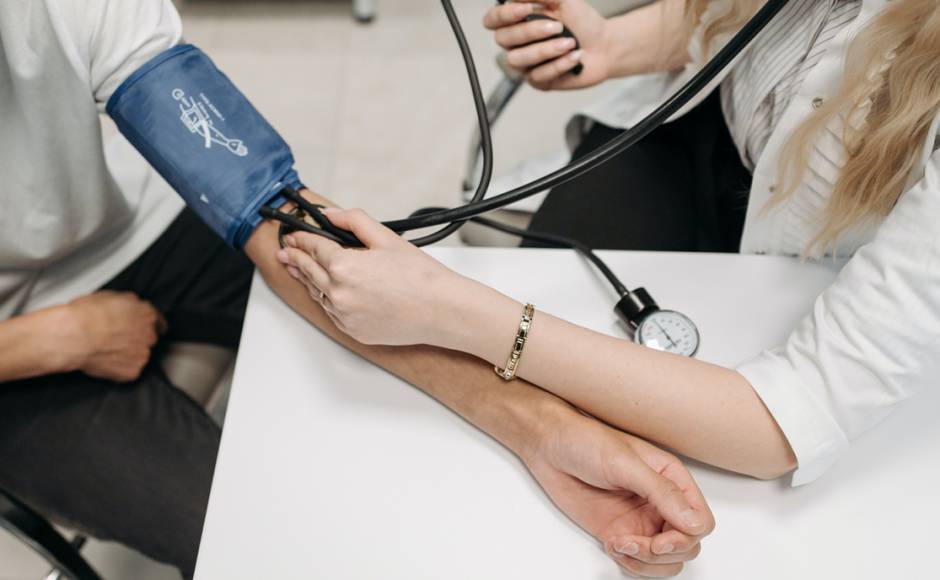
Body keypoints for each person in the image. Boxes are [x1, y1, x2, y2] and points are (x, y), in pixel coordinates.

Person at [0, 1, 714, 578]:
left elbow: (272, 214)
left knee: (366, 318)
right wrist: (53, 340)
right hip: (18, 359)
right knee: (256, 545)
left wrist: (542, 428)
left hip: (134, 227)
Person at [277, 0, 940, 501]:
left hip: (800, 262)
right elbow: (756, 21)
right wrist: (613, 43)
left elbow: (787, 421)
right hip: (691, 135)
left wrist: (445, 308)